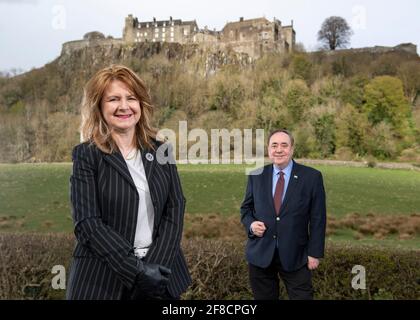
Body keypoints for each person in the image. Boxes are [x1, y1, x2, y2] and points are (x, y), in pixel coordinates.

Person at [66, 64, 191, 300]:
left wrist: (155, 269)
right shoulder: (86, 155)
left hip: (158, 280)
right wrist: (137, 271)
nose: (124, 106)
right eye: (113, 99)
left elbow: (175, 208)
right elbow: (87, 224)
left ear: (141, 104)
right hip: (102, 281)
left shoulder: (162, 149)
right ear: (99, 107)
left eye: (131, 98)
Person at [240, 129, 326, 300]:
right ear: (268, 149)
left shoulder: (311, 177)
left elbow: (318, 218)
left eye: (284, 145)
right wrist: (251, 225)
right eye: (274, 145)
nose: (279, 150)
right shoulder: (256, 175)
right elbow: (246, 209)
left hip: (297, 256)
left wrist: (314, 253)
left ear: (292, 149)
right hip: (261, 254)